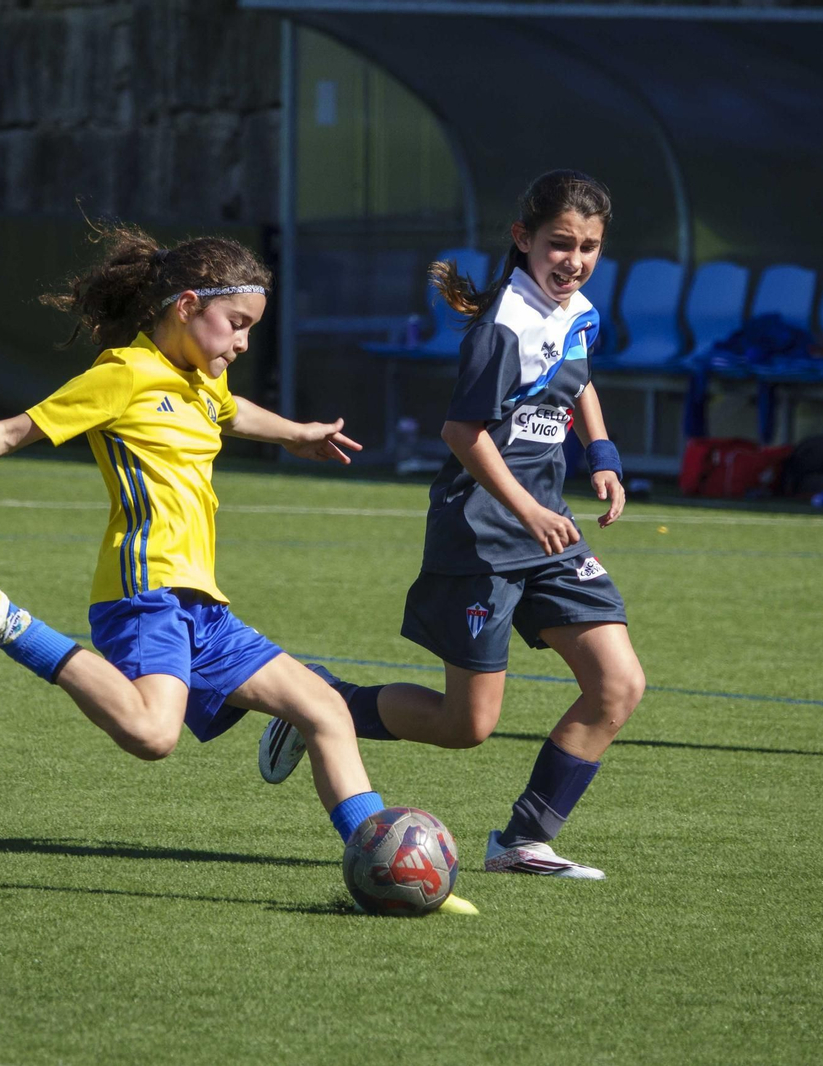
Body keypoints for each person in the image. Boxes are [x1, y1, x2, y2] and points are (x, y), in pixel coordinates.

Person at [0, 223, 472, 896]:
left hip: (200, 604)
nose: (241, 343)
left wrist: (297, 434)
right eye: (235, 324)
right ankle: (10, 623)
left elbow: (230, 413)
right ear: (186, 307)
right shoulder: (124, 374)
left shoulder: (198, 380)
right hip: (144, 593)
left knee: (326, 710)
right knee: (152, 734)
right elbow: (14, 429)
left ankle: (384, 864)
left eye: (250, 330)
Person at [259, 169, 644, 879]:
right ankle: (321, 703)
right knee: (467, 727)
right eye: (561, 244)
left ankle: (523, 841)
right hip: (482, 536)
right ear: (523, 239)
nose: (576, 260)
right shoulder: (503, 327)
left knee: (618, 685)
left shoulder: (576, 309)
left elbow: (579, 373)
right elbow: (462, 432)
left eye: (590, 246)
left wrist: (603, 457)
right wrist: (527, 508)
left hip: (546, 532)